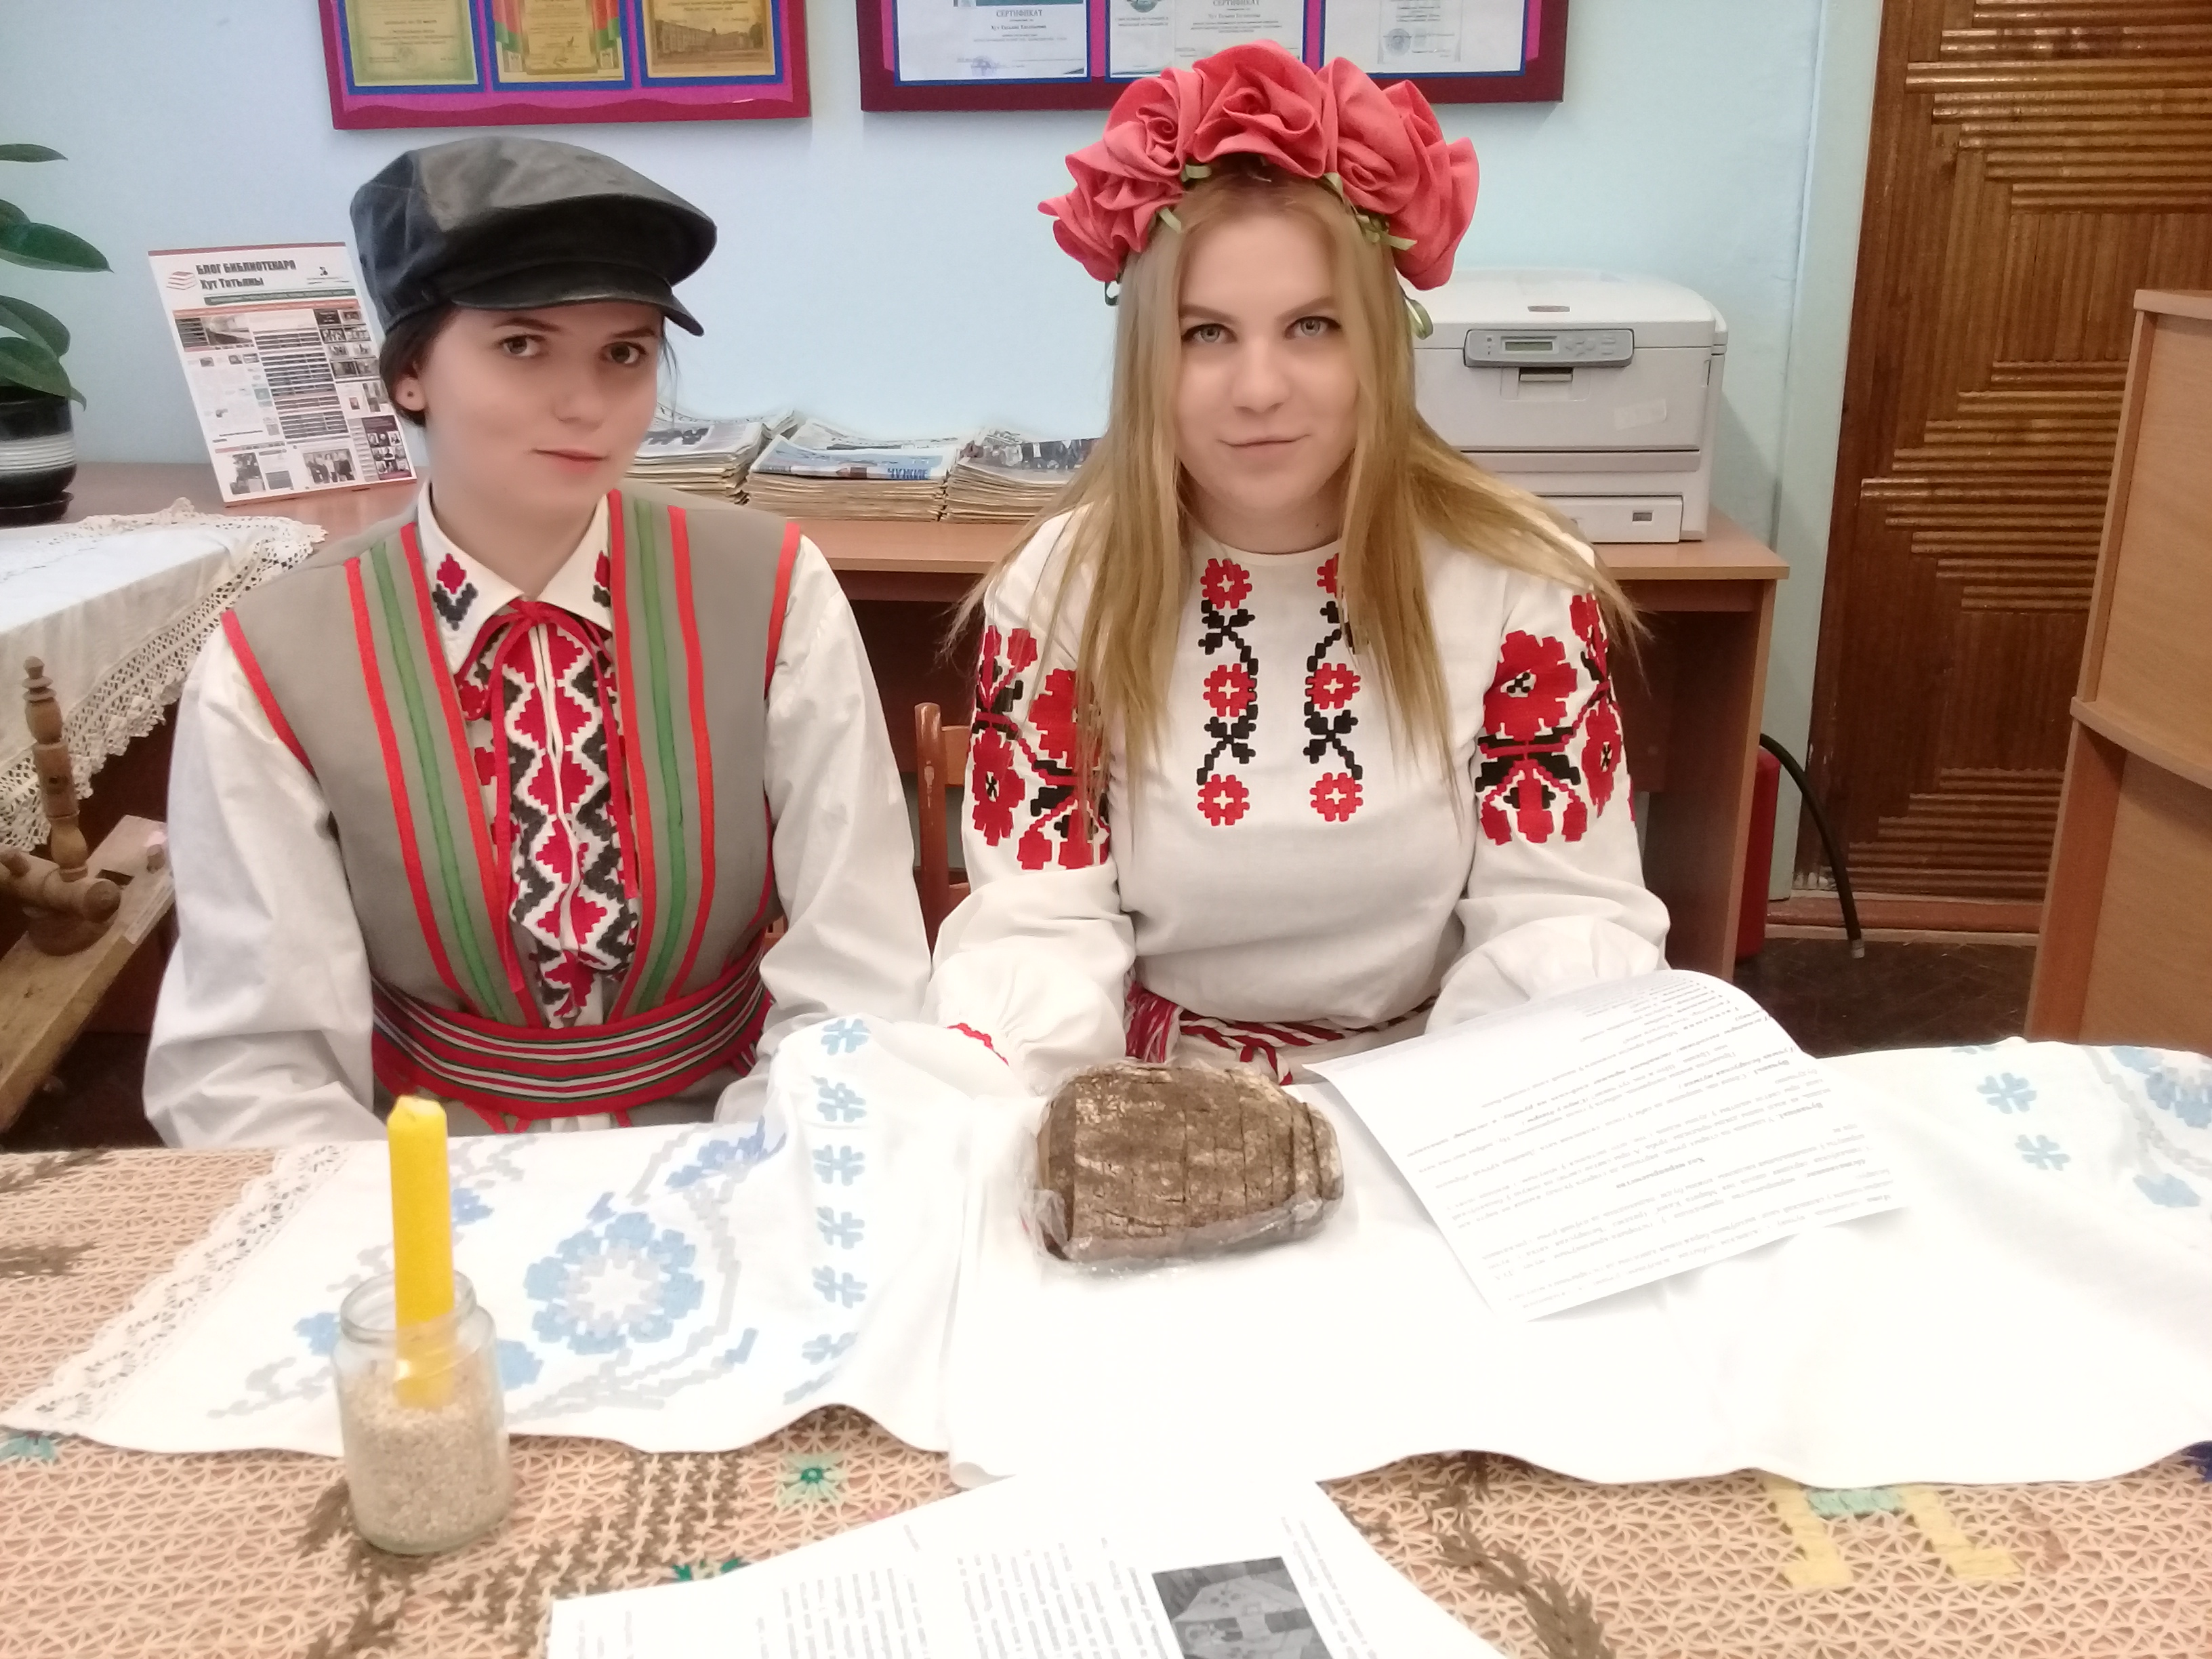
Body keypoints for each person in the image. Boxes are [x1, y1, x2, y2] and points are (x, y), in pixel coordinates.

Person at [146, 136, 930, 1143]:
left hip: (738, 1140)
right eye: (522, 346)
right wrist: (405, 1222)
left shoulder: (773, 590)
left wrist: (747, 1175)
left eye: (625, 353)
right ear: (412, 371)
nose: (585, 404)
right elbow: (253, 1065)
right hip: (417, 1172)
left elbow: (858, 965)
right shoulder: (276, 659)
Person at [926, 45, 1668, 1090]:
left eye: (1311, 326)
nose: (1259, 387)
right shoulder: (1063, 588)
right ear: (1148, 356)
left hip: (1438, 1090)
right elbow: (1036, 931)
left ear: (1380, 344)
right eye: (1206, 333)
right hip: (1155, 1099)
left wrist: (1462, 1119)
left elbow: (1558, 918)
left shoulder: (1516, 580)